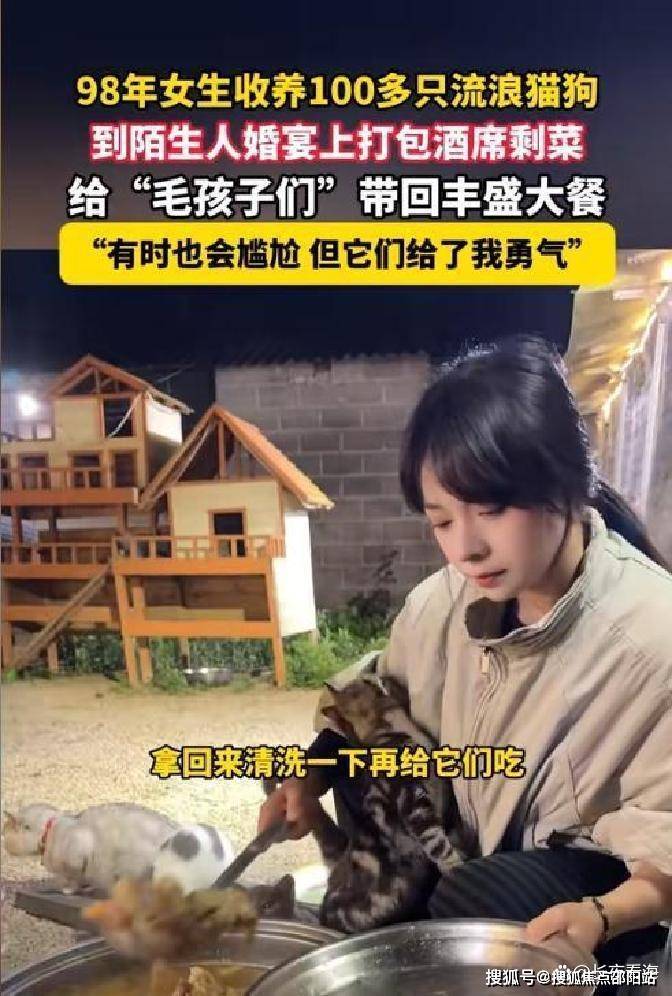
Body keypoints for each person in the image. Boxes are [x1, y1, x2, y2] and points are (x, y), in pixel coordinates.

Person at [259, 336, 672, 988]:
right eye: (441, 521)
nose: (466, 548)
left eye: (491, 510)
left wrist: (601, 915)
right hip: (468, 848)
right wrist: (305, 782)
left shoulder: (652, 639)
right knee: (364, 769)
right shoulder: (440, 603)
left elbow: (665, 854)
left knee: (480, 900)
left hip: (589, 894)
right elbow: (374, 703)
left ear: (564, 484)